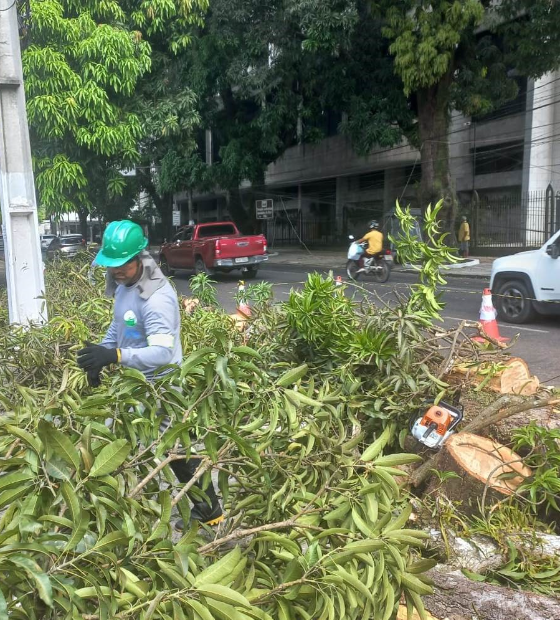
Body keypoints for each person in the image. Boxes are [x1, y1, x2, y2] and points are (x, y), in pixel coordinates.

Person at [77, 220, 224, 526]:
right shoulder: (126, 284)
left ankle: (210, 512)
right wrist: (100, 356)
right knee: (114, 436)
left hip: (162, 387)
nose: (115, 271)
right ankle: (110, 508)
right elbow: (120, 324)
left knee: (177, 449)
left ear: (139, 257)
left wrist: (115, 356)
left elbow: (161, 354)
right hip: (134, 381)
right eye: (112, 265)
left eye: (122, 265)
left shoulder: (157, 297)